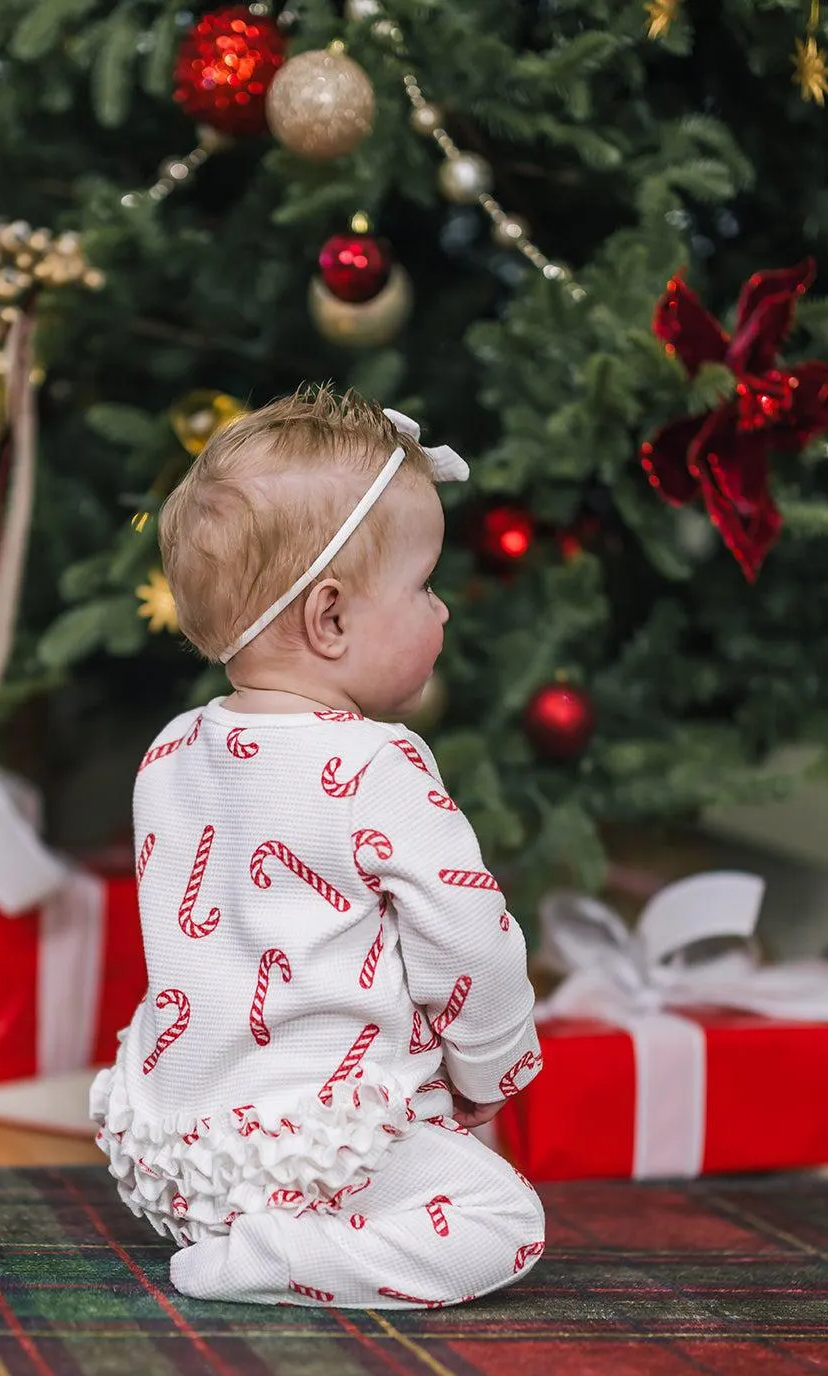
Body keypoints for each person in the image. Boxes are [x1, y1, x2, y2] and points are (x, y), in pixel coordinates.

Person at [91, 388, 545, 1308]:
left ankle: (243, 1236)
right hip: (325, 1140)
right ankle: (290, 1258)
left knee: (430, 1154)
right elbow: (470, 941)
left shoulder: (171, 753)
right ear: (330, 619)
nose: (443, 612)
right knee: (506, 1222)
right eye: (423, 586)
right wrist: (494, 1068)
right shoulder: (378, 764)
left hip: (181, 1158)